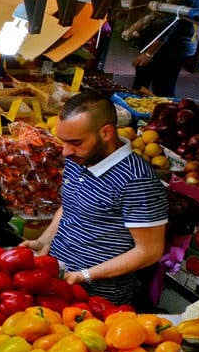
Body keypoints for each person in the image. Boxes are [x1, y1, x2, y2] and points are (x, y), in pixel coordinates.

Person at [22, 93, 169, 307]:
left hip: (100, 298)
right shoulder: (79, 158)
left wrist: (84, 275)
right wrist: (44, 241)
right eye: (63, 141)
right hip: (59, 281)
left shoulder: (137, 180)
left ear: (106, 132)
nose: (66, 151)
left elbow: (149, 252)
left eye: (75, 142)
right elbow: (70, 207)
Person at [134, 0, 199, 97]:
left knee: (154, 87)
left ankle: (152, 111)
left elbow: (167, 27)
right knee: (165, 84)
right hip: (185, 47)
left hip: (168, 49)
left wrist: (149, 53)